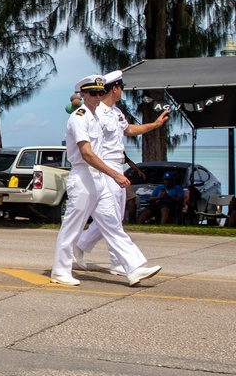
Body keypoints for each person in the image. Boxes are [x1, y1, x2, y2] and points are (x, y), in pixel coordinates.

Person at [51, 75, 161, 286]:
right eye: (93, 93)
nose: (97, 96)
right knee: (72, 226)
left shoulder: (97, 117)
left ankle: (134, 268)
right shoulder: (79, 117)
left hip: (98, 177)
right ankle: (60, 270)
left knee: (112, 223)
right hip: (83, 176)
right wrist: (115, 174)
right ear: (83, 95)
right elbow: (87, 154)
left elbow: (119, 135)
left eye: (100, 92)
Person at [75, 69, 169, 263]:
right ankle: (119, 261)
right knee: (113, 217)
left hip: (117, 166)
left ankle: (81, 245)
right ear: (115, 89)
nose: (122, 91)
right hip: (106, 168)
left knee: (113, 217)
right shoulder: (96, 112)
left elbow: (128, 129)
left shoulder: (116, 112)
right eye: (121, 87)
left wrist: (154, 125)